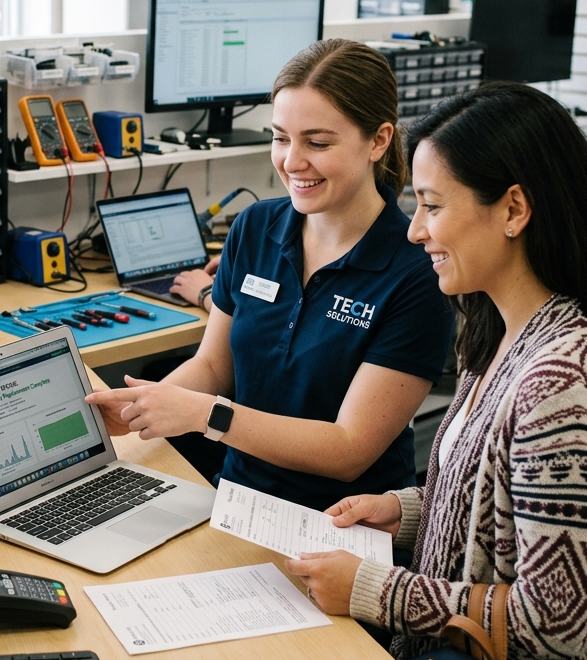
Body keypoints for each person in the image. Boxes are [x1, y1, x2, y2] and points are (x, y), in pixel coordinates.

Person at [284, 83, 587, 660]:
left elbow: (557, 615)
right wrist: (404, 511)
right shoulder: (496, 339)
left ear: (513, 209)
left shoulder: (558, 383)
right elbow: (505, 513)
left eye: (433, 205)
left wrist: (371, 590)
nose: (416, 230)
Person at [86, 38, 454, 510]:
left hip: (345, 521)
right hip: (240, 499)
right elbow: (215, 367)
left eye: (318, 143)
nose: (292, 162)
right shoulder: (254, 227)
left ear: (378, 140)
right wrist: (141, 408)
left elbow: (348, 449)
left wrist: (206, 415)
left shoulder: (416, 270)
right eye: (281, 137)